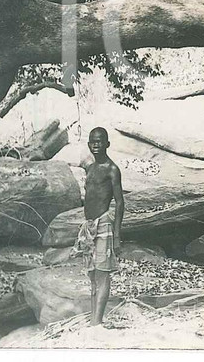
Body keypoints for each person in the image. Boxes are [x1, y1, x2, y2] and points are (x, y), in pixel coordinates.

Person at [72, 127, 124, 326]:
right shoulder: (91, 168)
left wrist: (117, 235)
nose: (96, 145)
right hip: (89, 226)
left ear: (107, 144)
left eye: (100, 141)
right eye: (92, 141)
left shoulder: (112, 169)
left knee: (102, 274)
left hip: (103, 224)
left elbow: (120, 202)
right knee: (92, 275)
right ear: (88, 144)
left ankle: (97, 322)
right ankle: (94, 320)